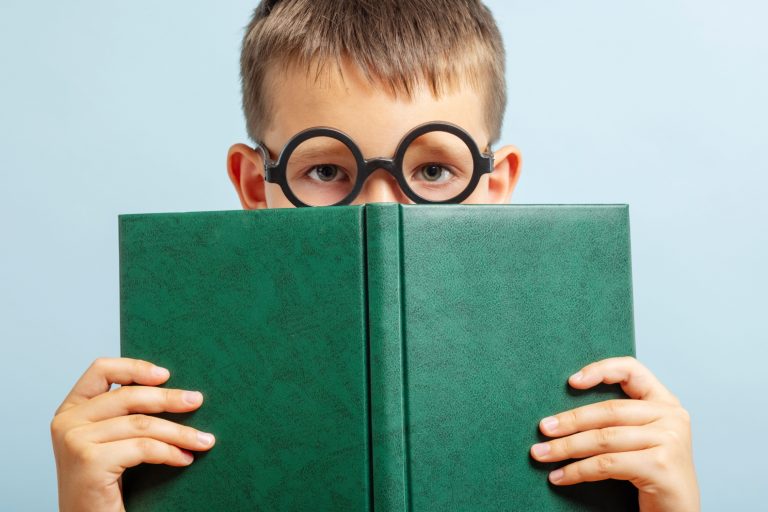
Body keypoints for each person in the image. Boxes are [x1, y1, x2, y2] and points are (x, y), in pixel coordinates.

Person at [50, 1, 700, 510]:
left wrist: (672, 505)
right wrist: (89, 504)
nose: (382, 209)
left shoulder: (578, 388)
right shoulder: (182, 392)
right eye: (329, 169)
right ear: (256, 184)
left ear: (495, 185)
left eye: (436, 171)